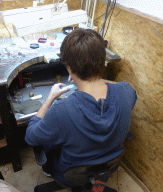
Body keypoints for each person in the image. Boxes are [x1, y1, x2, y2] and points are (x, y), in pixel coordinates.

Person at [25, 28, 137, 185]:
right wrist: (94, 79)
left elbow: (30, 137)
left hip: (71, 174)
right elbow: (120, 86)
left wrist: (49, 98)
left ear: (69, 67)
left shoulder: (61, 110)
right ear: (103, 61)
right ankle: (97, 186)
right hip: (109, 166)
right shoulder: (127, 91)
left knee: (50, 147)